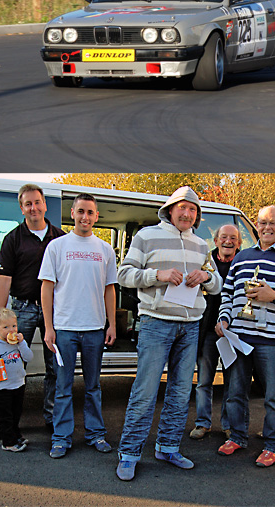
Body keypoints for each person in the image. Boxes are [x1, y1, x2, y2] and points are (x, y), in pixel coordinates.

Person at [115, 186, 220, 481]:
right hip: (156, 323)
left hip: (190, 326)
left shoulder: (201, 245)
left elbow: (217, 284)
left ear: (196, 216)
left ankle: (168, 446)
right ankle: (129, 453)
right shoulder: (146, 236)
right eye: (182, 207)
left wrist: (207, 276)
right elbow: (124, 274)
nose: (187, 213)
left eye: (193, 210)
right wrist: (156, 275)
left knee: (180, 391)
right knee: (145, 392)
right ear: (170, 209)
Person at [216, 206, 275, 469]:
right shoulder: (241, 257)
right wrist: (224, 319)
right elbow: (227, 293)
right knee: (234, 391)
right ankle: (237, 436)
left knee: (274, 395)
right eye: (262, 222)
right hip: (239, 338)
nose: (266, 227)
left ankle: (273, 444)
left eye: (273, 223)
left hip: (273, 340)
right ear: (256, 225)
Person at [39, 193, 117, 459]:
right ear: (72, 213)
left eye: (91, 212)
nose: (85, 217)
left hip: (95, 328)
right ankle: (61, 438)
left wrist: (112, 324)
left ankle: (95, 434)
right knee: (63, 387)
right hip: (65, 329)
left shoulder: (105, 250)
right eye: (81, 211)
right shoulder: (57, 247)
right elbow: (46, 289)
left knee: (93, 386)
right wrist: (49, 328)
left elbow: (110, 290)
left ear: (96, 216)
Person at [0, 183, 66, 433]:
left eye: (37, 202)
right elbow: (4, 280)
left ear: (45, 205)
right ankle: (9, 423)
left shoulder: (61, 238)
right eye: (28, 204)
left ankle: (51, 419)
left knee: (55, 368)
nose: (33, 207)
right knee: (13, 367)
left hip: (53, 311)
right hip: (22, 310)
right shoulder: (12, 239)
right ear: (22, 208)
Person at [190, 223, 241, 440]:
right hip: (208, 330)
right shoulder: (204, 261)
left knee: (232, 382)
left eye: (233, 238)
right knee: (204, 381)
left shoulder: (245, 263)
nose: (228, 241)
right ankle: (203, 423)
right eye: (223, 237)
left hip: (234, 332)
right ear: (216, 241)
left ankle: (228, 425)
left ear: (239, 243)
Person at [0, 308, 34, 452]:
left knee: (16, 413)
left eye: (14, 326)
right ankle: (8, 442)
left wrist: (22, 343)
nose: (11, 330)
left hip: (18, 383)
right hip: (1, 387)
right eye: (5, 327)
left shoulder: (17, 343)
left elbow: (28, 357)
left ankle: (16, 435)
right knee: (5, 415)